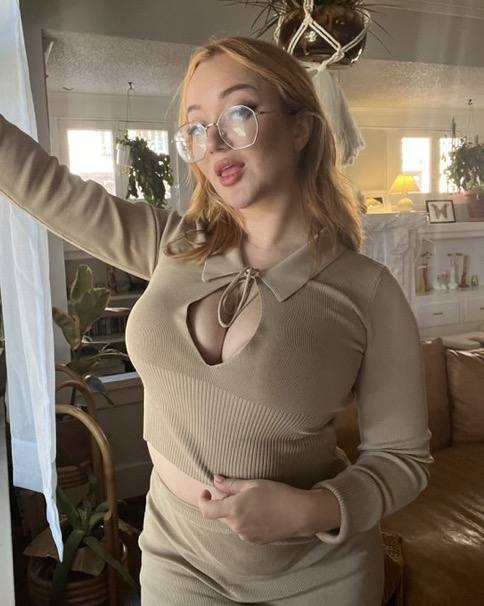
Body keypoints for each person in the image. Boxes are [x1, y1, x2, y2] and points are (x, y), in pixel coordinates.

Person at [0, 36, 433, 605]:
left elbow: (403, 459)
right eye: (197, 127)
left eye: (238, 113)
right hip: (177, 560)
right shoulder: (172, 243)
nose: (214, 142)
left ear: (300, 128)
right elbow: (44, 184)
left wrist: (313, 509)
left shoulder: (368, 292)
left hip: (317, 577)